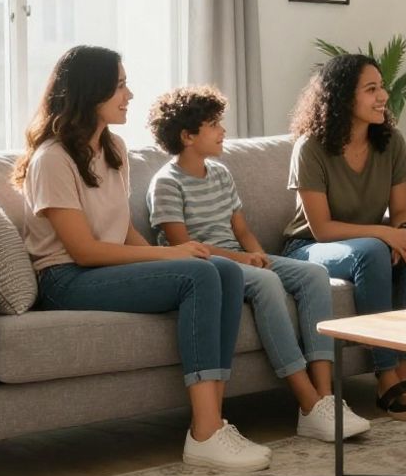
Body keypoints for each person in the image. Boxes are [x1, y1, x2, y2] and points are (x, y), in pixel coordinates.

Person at [13, 45, 269, 472]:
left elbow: (122, 231)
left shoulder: (113, 148)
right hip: (64, 279)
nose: (129, 95)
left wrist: (175, 255)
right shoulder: (52, 159)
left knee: (224, 269)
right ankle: (204, 433)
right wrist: (173, 256)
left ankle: (213, 422)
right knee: (199, 275)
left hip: (101, 269)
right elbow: (83, 250)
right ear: (90, 91)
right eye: (119, 86)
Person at [146, 85, 372, 442]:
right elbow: (184, 246)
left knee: (314, 275)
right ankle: (308, 403)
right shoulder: (166, 184)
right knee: (267, 283)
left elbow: (241, 229)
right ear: (188, 136)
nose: (223, 131)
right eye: (214, 125)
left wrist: (258, 254)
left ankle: (326, 396)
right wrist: (243, 259)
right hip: (209, 267)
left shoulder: (220, 173)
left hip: (241, 258)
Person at [284, 54, 406, 421]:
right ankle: (384, 376)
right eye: (371, 89)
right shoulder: (310, 147)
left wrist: (403, 233)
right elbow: (322, 228)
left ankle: (403, 374)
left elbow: (401, 211)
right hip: (309, 248)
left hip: (368, 245)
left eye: (381, 86)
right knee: (371, 251)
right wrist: (384, 234)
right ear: (342, 97)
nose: (383, 95)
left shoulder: (391, 142)